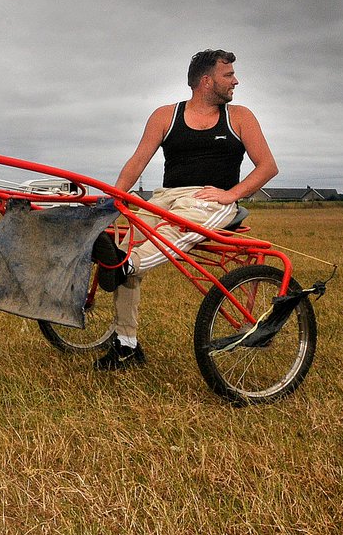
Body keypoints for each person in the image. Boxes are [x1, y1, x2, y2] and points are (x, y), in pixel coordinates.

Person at [92, 49, 278, 370]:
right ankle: (126, 345)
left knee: (143, 249)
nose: (236, 80)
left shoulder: (240, 117)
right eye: (228, 75)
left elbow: (267, 167)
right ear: (206, 81)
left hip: (211, 200)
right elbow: (137, 162)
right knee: (122, 244)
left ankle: (124, 266)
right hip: (165, 197)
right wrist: (114, 198)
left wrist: (230, 194)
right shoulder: (166, 115)